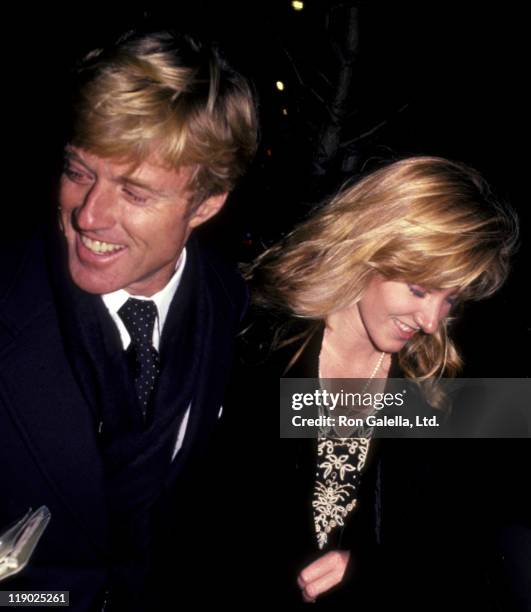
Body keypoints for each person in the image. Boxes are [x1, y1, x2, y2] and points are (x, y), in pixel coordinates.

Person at [0, 29, 257, 611]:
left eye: (135, 193)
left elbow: (315, 424)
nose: (89, 215)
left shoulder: (238, 304)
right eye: (78, 171)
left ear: (208, 203)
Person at [233, 156, 522, 609]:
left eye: (451, 299)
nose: (431, 322)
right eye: (420, 289)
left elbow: (467, 540)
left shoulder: (434, 380)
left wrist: (375, 568)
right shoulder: (250, 336)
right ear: (367, 249)